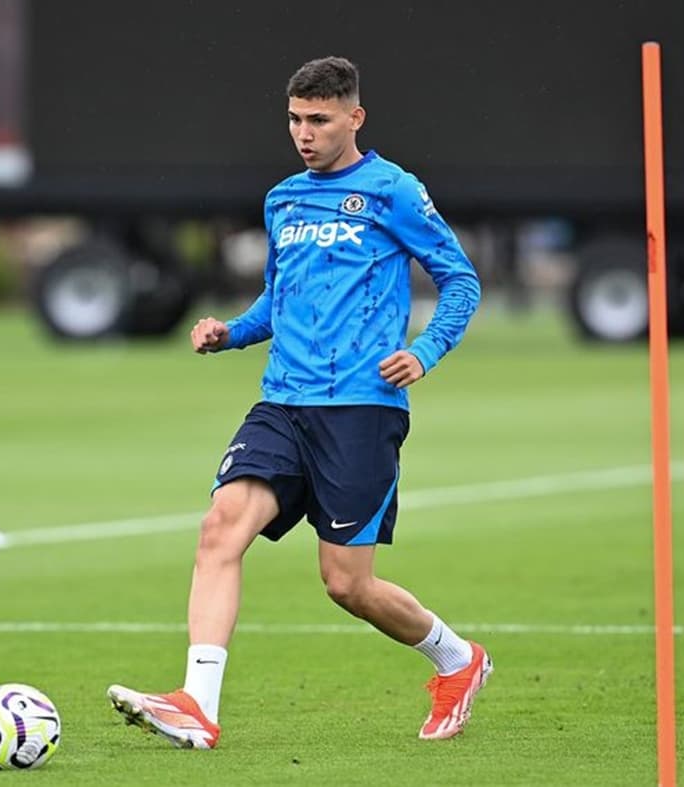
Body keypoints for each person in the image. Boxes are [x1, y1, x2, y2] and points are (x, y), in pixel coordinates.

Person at [107, 56, 487, 749]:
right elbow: (278, 302)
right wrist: (231, 333)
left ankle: (458, 660)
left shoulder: (394, 191)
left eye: (318, 119)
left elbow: (460, 281)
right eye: (294, 120)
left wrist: (424, 352)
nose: (304, 133)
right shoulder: (283, 199)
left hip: (362, 409)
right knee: (221, 527)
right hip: (283, 400)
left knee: (347, 584)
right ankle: (197, 701)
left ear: (354, 117)